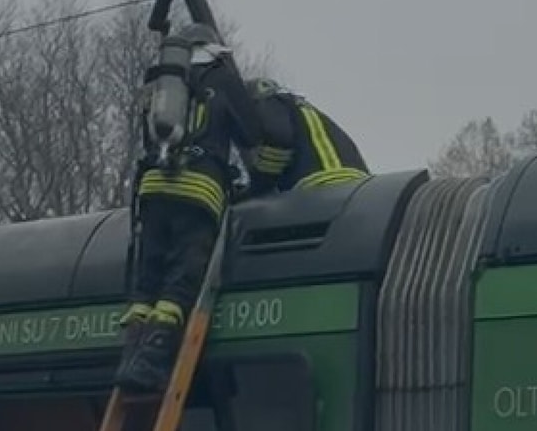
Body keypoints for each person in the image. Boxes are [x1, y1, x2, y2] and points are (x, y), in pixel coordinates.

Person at [115, 21, 262, 393]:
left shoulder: (162, 83)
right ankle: (154, 358)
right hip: (198, 191)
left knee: (147, 282)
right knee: (183, 278)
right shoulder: (222, 78)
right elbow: (253, 133)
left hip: (153, 191)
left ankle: (131, 356)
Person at [242, 77, 370, 196]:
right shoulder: (306, 112)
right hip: (361, 188)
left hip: (323, 183)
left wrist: (258, 185)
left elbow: (278, 138)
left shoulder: (272, 101)